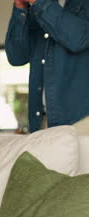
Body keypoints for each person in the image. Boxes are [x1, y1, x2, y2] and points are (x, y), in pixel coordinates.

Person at [5, 0, 89, 133]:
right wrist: (20, 7)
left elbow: (78, 39)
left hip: (82, 122)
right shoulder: (36, 6)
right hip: (42, 122)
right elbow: (17, 57)